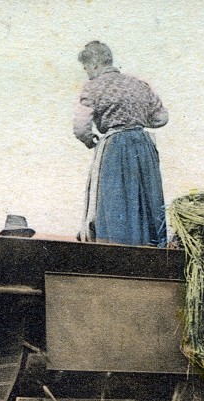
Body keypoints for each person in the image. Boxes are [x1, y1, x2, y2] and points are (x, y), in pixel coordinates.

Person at [74, 40, 169, 247]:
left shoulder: (92, 87)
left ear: (96, 63)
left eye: (86, 67)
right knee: (148, 200)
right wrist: (138, 121)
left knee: (114, 201)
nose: (87, 73)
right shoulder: (139, 85)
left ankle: (117, 253)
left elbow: (80, 127)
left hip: (115, 147)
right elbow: (162, 118)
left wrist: (90, 140)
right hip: (144, 147)